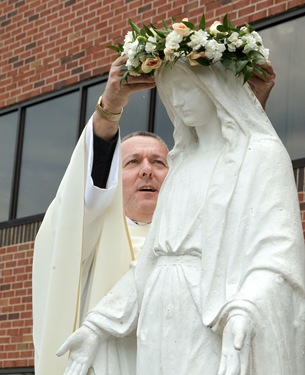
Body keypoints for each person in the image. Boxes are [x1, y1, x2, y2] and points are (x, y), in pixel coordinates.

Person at [56, 57, 305, 375]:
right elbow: (150, 264)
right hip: (159, 315)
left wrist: (247, 307)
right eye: (171, 92)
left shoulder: (260, 154)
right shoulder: (182, 164)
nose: (178, 101)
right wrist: (97, 324)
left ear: (214, 86)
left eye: (187, 88)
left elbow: (277, 253)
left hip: (207, 311)